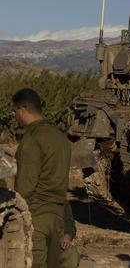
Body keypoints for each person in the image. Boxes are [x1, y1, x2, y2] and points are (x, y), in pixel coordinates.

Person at [12, 88, 71, 268]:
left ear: (23, 109)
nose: (14, 116)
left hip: (36, 216)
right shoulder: (60, 137)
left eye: (14, 112)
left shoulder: (32, 138)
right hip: (58, 217)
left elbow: (25, 186)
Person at [60, 201, 80, 268]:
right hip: (37, 241)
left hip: (57, 241)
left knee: (72, 254)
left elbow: (69, 222)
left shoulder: (61, 198)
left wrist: (67, 236)